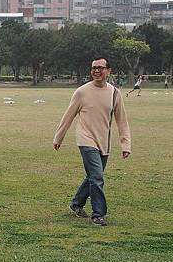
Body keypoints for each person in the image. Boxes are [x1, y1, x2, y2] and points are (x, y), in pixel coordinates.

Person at [53, 58, 131, 227]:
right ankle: (98, 214)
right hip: (85, 139)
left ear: (108, 70)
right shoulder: (82, 92)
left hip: (103, 142)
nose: (96, 71)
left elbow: (121, 121)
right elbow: (68, 116)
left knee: (92, 177)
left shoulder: (114, 93)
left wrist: (126, 144)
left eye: (100, 68)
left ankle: (76, 204)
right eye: (94, 68)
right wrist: (58, 138)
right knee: (97, 176)